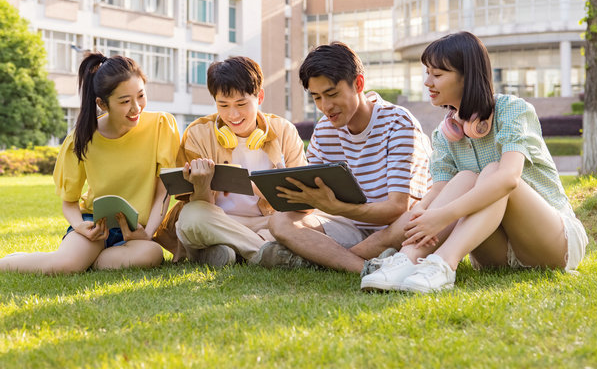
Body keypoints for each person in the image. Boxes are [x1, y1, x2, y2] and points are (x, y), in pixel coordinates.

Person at [361, 31, 588, 293]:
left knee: (494, 171)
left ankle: (443, 265)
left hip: (551, 242)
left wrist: (443, 215)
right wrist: (422, 215)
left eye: (437, 74)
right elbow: (439, 191)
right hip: (496, 253)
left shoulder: (512, 110)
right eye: (427, 74)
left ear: (466, 76)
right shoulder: (444, 134)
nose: (427, 82)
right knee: (465, 178)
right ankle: (407, 260)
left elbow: (509, 179)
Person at [253, 42, 432, 272]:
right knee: (280, 221)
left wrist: (336, 207)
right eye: (317, 97)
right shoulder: (324, 130)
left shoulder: (398, 123)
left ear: (358, 84)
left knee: (412, 220)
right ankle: (363, 267)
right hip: (348, 226)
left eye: (332, 94)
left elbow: (397, 208)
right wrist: (295, 191)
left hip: (394, 227)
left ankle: (322, 259)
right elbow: (312, 205)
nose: (326, 107)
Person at [0, 53, 180, 274]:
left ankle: (87, 259)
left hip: (137, 231)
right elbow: (70, 201)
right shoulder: (82, 138)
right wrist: (79, 227)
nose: (136, 108)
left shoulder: (161, 125)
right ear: (102, 103)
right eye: (125, 101)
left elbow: (163, 192)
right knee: (65, 266)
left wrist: (148, 232)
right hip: (96, 225)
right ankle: (12, 262)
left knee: (152, 254)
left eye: (141, 96)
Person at [153, 56, 307, 267]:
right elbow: (201, 206)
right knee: (191, 217)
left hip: (268, 221)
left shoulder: (284, 131)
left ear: (259, 96)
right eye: (223, 105)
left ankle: (223, 252)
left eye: (241, 104)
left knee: (302, 223)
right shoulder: (198, 133)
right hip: (218, 221)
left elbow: (303, 203)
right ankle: (265, 252)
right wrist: (202, 185)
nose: (232, 115)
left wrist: (258, 186)